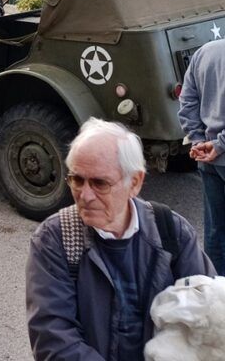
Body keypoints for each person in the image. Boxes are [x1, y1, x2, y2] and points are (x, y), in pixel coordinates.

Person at [26, 118, 215, 361]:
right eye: (77, 179)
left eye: (99, 183)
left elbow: (208, 314)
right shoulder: (55, 239)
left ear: (134, 182)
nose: (84, 195)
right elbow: (53, 340)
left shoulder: (171, 231)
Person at [179, 38, 225, 273]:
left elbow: (187, 101)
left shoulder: (204, 52)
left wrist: (199, 141)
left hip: (207, 157)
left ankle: (216, 289)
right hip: (217, 150)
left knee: (216, 230)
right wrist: (220, 144)